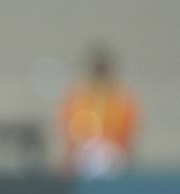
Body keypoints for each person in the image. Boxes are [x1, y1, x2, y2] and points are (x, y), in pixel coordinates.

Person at [59, 45, 140, 178]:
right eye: (98, 70)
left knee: (106, 160)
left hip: (113, 154)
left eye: (102, 70)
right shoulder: (78, 98)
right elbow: (69, 128)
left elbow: (128, 131)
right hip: (83, 153)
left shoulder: (122, 100)